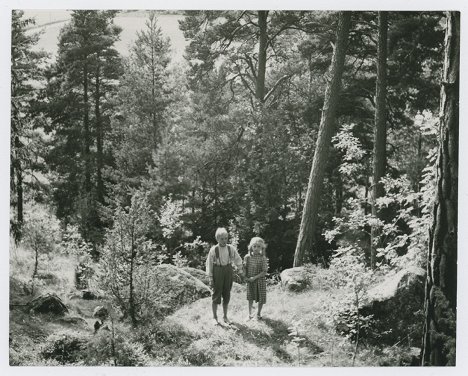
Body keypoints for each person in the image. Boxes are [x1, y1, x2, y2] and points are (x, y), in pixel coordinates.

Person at [206, 227, 244, 326]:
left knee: (226, 293)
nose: (224, 241)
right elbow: (209, 264)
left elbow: (237, 259)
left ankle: (225, 316)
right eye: (222, 239)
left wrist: (240, 269)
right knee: (216, 293)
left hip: (228, 270)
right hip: (217, 270)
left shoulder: (230, 248)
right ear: (217, 239)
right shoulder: (214, 250)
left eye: (226, 238)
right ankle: (214, 317)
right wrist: (210, 277)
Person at [244, 236, 268, 320]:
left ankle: (258, 314)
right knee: (250, 297)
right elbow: (245, 268)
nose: (256, 248)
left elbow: (264, 271)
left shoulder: (263, 258)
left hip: (260, 280)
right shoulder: (247, 257)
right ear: (251, 247)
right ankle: (249, 314)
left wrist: (255, 277)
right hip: (250, 281)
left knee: (261, 298)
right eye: (254, 246)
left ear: (262, 247)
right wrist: (245, 276)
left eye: (258, 246)